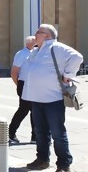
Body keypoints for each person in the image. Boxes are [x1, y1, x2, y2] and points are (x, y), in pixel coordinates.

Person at [23, 24, 83, 172]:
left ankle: (63, 164)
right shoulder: (37, 50)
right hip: (37, 99)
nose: (35, 35)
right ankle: (42, 159)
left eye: (38, 32)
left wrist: (68, 75)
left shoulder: (56, 47)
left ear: (47, 35)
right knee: (40, 132)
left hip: (53, 99)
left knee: (57, 133)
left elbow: (77, 57)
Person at [8, 35, 36, 143]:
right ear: (28, 43)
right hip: (24, 84)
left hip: (34, 85)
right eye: (34, 41)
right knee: (23, 110)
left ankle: (35, 136)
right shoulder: (21, 54)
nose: (36, 43)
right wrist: (19, 85)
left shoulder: (35, 53)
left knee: (35, 111)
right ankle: (11, 132)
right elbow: (14, 72)